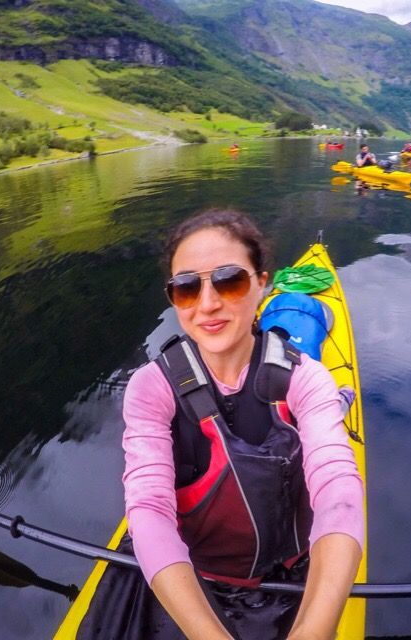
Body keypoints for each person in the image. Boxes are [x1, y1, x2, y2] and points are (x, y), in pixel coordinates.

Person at [118, 209, 364, 640]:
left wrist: (314, 629)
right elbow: (150, 510)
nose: (208, 304)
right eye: (186, 288)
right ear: (174, 297)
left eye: (229, 280)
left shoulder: (305, 378)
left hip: (295, 569)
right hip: (202, 578)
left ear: (262, 283)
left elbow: (338, 491)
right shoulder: (149, 388)